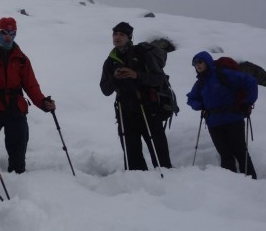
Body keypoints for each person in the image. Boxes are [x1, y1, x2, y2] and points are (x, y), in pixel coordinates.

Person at [0, 17, 55, 173]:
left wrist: (43, 102)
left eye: (12, 33)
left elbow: (31, 86)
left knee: (18, 148)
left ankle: (18, 177)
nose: (8, 37)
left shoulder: (21, 59)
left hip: (15, 108)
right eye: (4, 33)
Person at [100, 21, 172, 170]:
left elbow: (159, 79)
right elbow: (105, 90)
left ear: (129, 37)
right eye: (115, 34)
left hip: (149, 108)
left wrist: (136, 75)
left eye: (122, 34)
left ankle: (167, 179)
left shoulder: (142, 54)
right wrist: (114, 78)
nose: (117, 37)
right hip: (125, 111)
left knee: (159, 154)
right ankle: (139, 182)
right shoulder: (110, 61)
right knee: (132, 156)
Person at [186, 52, 257, 178]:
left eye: (200, 62)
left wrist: (248, 102)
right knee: (225, 155)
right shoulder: (200, 82)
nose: (197, 65)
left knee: (240, 152)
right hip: (214, 124)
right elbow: (191, 98)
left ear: (207, 62)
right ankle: (230, 183)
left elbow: (250, 81)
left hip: (233, 120)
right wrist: (199, 105)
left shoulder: (223, 74)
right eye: (195, 64)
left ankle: (251, 182)